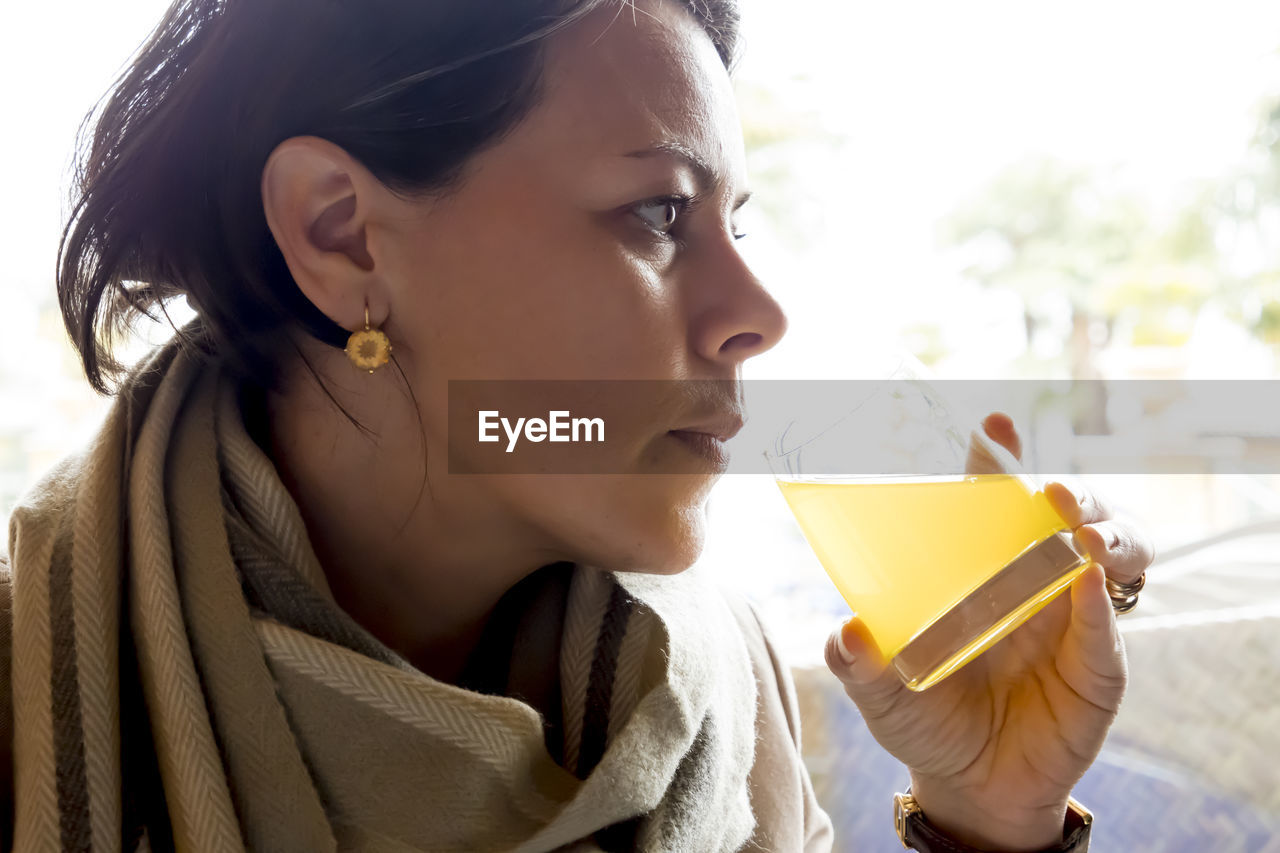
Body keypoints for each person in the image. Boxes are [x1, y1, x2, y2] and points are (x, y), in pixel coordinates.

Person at [0, 0, 1154, 850]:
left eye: (733, 226)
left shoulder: (715, 678)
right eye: (657, 211)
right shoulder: (25, 699)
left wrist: (989, 817)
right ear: (341, 231)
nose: (758, 314)